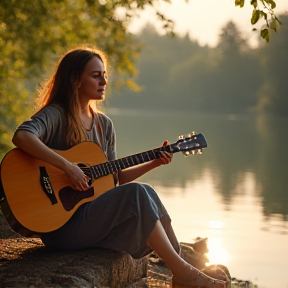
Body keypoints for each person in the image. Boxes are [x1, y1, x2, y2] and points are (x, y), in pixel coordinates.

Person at [12, 46, 226, 288]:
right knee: (139, 193)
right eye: (95, 75)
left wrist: (155, 161)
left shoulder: (104, 125)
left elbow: (116, 179)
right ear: (75, 79)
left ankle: (182, 271)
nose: (104, 81)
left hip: (91, 219)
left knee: (147, 192)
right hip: (60, 228)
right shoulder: (56, 115)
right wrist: (67, 167)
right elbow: (22, 136)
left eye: (104, 74)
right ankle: (185, 273)